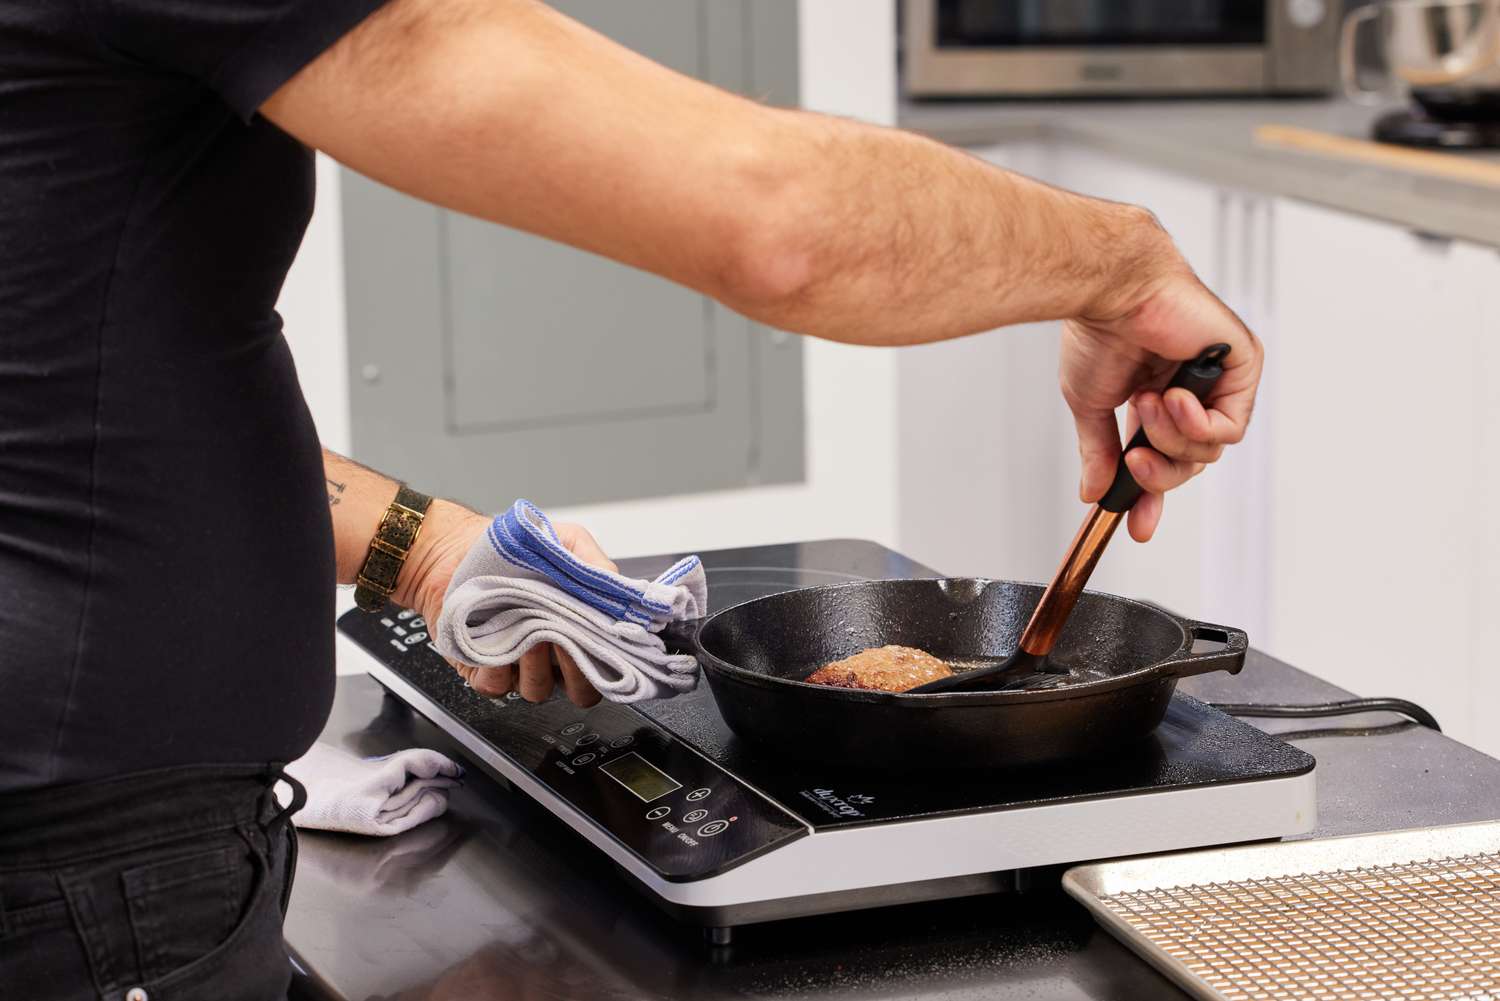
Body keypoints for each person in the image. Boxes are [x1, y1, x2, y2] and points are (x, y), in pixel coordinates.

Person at [0, 0, 1262, 997]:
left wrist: (433, 550)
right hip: (77, 884)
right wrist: (1121, 263)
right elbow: (781, 220)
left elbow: (61, 387)